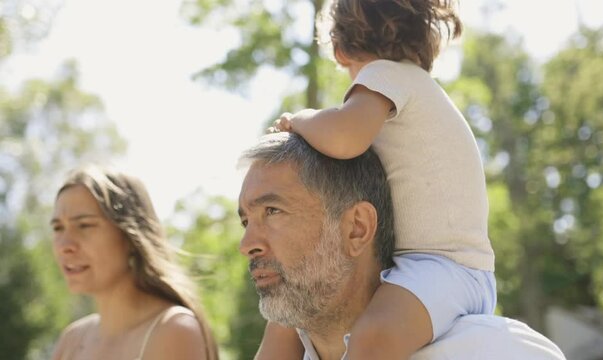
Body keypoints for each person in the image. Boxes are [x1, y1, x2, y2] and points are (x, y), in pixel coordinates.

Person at [265, 1, 494, 359]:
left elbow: (344, 136)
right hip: (419, 267)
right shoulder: (410, 86)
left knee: (371, 337)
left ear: (340, 50)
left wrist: (300, 120)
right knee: (289, 315)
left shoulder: (384, 76)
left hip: (447, 268)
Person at [238, 132, 565, 360]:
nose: (247, 245)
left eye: (273, 211)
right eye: (245, 221)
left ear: (356, 229)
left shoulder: (498, 353)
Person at [50, 165, 218, 360]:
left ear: (130, 237)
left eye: (84, 225)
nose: (64, 245)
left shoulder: (173, 329)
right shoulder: (72, 340)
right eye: (58, 228)